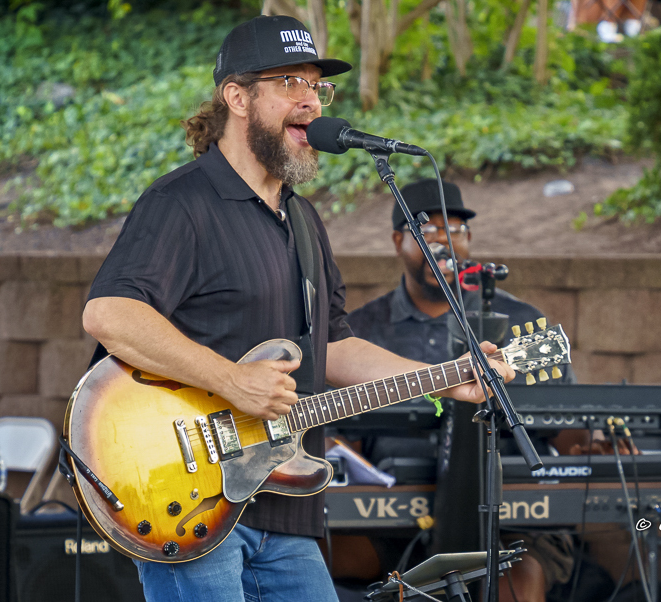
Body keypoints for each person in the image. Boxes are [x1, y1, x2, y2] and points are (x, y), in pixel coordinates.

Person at [81, 17, 514, 602]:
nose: (310, 100)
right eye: (290, 82)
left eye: (317, 86)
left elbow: (332, 347)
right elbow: (110, 313)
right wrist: (231, 379)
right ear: (237, 98)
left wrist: (444, 378)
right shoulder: (181, 202)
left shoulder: (304, 220)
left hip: (285, 508)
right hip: (187, 499)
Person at [343, 179, 622, 602]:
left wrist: (593, 447)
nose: (443, 242)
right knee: (314, 550)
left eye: (454, 230)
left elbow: (567, 429)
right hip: (388, 518)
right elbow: (343, 441)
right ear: (398, 241)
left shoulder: (519, 320)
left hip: (510, 516)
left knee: (516, 577)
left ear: (469, 239)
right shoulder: (362, 329)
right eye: (426, 231)